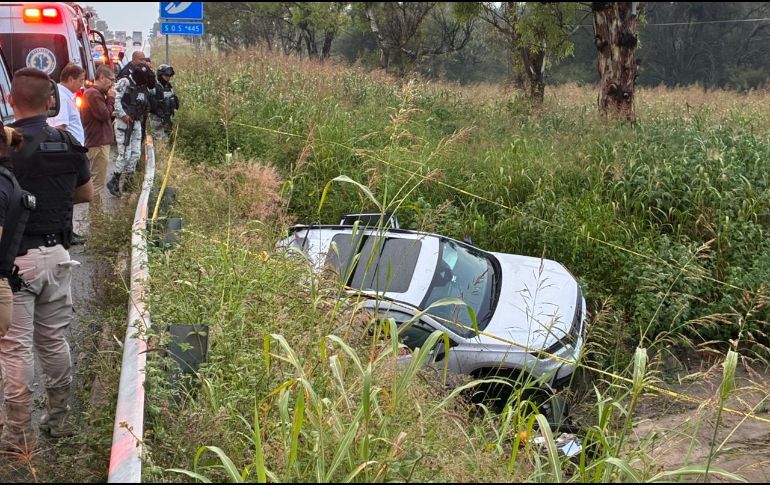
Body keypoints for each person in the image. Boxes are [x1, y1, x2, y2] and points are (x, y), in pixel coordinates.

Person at [0, 68, 92, 453]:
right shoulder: (67, 141)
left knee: (15, 348)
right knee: (53, 340)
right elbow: (84, 193)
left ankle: (18, 438)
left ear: (10, 101)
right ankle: (59, 420)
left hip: (16, 260)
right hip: (59, 255)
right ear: (52, 102)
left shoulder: (7, 147)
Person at [107, 63, 151, 197]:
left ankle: (128, 181)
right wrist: (123, 115)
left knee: (135, 154)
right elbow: (117, 100)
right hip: (124, 123)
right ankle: (114, 180)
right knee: (125, 154)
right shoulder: (125, 82)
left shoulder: (142, 87)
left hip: (136, 122)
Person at [81, 65, 116, 206]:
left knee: (97, 180)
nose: (112, 83)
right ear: (101, 77)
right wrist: (111, 99)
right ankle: (96, 219)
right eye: (111, 79)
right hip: (98, 143)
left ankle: (97, 215)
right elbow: (104, 114)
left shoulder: (97, 94)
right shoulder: (93, 94)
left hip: (98, 141)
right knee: (97, 182)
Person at [46, 63, 86, 146]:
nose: (82, 85)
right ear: (71, 80)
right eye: (81, 80)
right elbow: (60, 127)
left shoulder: (65, 95)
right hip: (70, 150)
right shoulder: (62, 98)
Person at [149, 64, 179, 141]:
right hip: (157, 120)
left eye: (169, 76)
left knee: (169, 139)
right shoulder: (154, 87)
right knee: (160, 140)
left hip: (169, 119)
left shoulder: (169, 87)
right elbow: (151, 104)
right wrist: (158, 112)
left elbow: (173, 101)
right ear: (160, 75)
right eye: (166, 76)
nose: (168, 78)